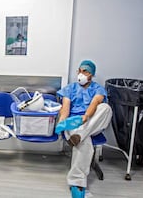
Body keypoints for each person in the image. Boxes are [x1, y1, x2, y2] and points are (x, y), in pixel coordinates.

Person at [56, 60, 112, 198]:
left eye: (85, 71)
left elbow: (95, 102)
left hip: (92, 123)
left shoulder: (98, 89)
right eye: (80, 71)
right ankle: (77, 183)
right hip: (73, 125)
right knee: (83, 141)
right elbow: (66, 108)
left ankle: (80, 135)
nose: (81, 74)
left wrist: (86, 116)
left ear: (91, 75)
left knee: (105, 108)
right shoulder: (70, 88)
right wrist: (62, 122)